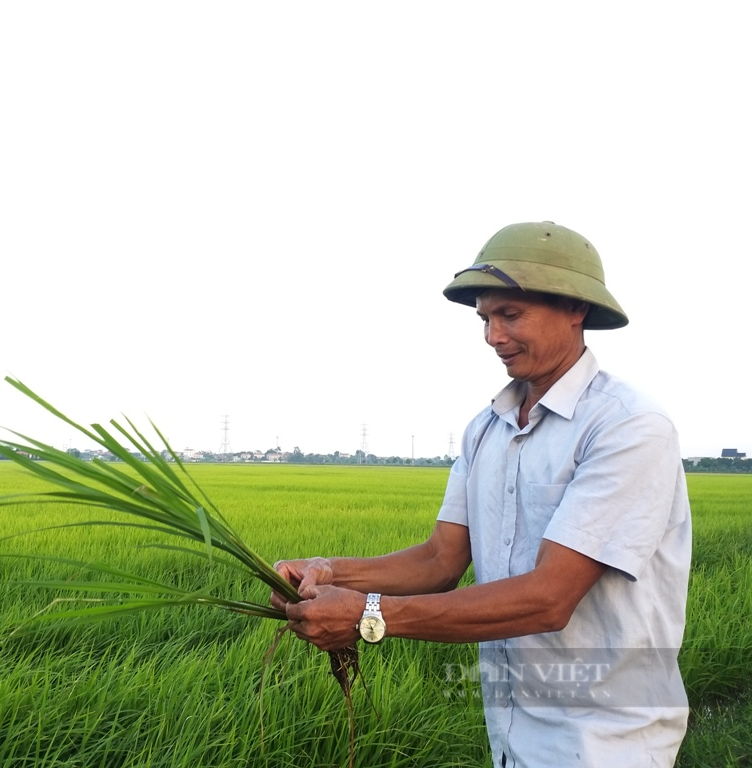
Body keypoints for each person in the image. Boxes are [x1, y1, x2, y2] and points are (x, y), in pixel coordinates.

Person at [271, 221, 692, 768]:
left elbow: (549, 597)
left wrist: (367, 613)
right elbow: (439, 559)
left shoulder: (628, 427)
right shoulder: (486, 429)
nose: (493, 336)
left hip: (604, 738)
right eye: (485, 318)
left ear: (575, 309)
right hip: (511, 728)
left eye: (510, 315)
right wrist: (326, 571)